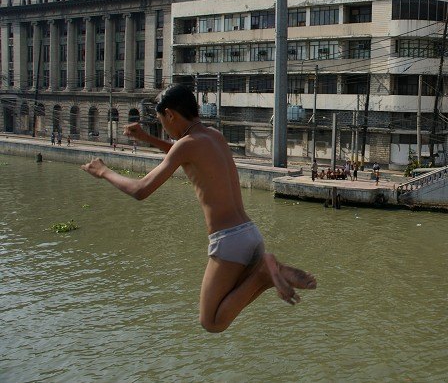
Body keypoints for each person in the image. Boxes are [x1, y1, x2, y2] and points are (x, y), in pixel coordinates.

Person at [81, 84, 316, 333]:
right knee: (229, 303)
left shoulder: (186, 145)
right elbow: (183, 154)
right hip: (249, 234)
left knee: (211, 322)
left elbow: (141, 190)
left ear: (170, 114)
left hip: (229, 241)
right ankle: (266, 275)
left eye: (162, 121)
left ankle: (264, 273)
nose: (164, 128)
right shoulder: (213, 136)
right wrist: (147, 139)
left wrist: (103, 171)